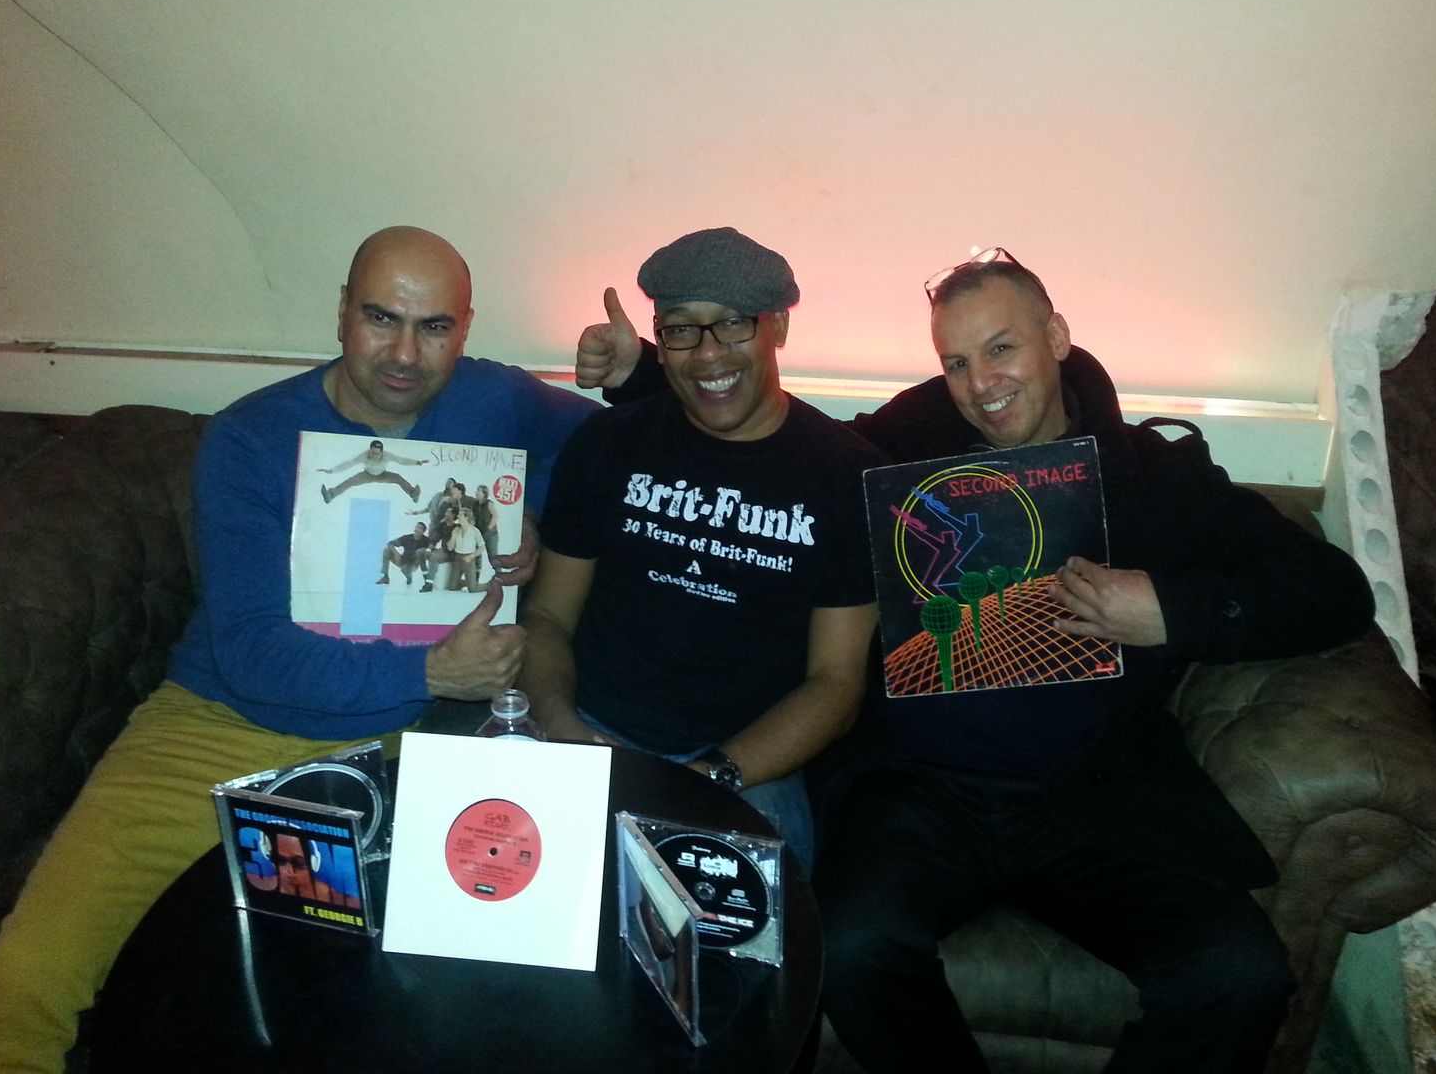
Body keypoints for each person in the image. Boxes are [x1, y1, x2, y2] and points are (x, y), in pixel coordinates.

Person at [574, 246, 1376, 1073]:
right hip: (918, 790)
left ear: (1055, 338)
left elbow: (1335, 591)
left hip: (1094, 793)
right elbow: (777, 443)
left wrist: (1171, 609)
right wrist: (644, 376)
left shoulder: (1154, 477)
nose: (980, 384)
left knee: (1240, 977)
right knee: (851, 949)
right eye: (955, 362)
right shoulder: (904, 446)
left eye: (1001, 349)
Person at [0, 225, 598, 1074]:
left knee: (428, 1001)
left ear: (464, 330)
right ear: (342, 312)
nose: (405, 353)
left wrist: (537, 519)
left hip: (401, 741)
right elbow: (255, 652)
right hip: (220, 723)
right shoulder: (251, 438)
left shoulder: (496, 399)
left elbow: (607, 448)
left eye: (435, 327)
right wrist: (431, 669)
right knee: (20, 991)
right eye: (381, 318)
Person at [522, 227, 883, 873]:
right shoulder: (608, 444)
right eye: (682, 329)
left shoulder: (845, 476)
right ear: (659, 340)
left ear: (777, 326)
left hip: (746, 766)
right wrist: (564, 731)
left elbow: (835, 683)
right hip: (591, 728)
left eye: (733, 324)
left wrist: (707, 777)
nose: (708, 353)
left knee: (743, 922)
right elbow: (547, 615)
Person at [317, 438, 427, 503]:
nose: (374, 455)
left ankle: (413, 493)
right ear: (370, 450)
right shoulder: (364, 456)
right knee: (350, 481)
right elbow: (350, 463)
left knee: (398, 478)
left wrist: (416, 462)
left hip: (383, 475)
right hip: (367, 475)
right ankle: (330, 495)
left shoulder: (387, 455)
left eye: (377, 454)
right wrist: (332, 470)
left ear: (382, 452)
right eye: (372, 453)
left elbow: (401, 460)